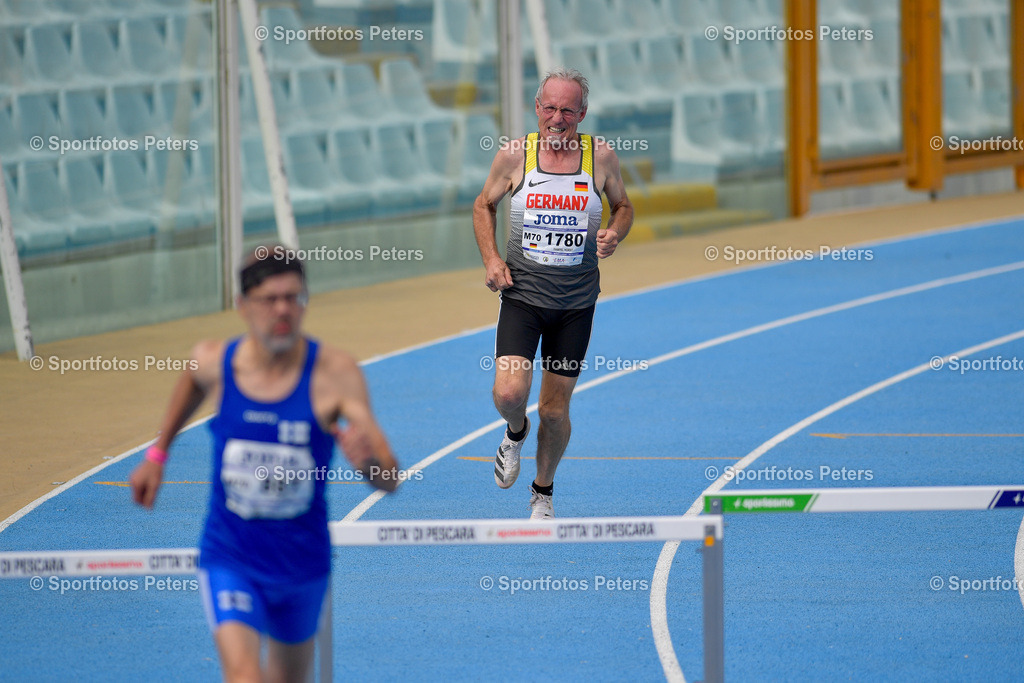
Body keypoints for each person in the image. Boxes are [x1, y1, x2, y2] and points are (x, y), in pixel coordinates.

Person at [130, 246, 399, 683]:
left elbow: (390, 479)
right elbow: (191, 379)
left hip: (302, 564)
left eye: (294, 298)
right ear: (242, 305)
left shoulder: (336, 374)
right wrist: (158, 454)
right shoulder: (218, 363)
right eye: (269, 300)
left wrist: (369, 464)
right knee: (244, 677)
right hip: (230, 556)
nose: (283, 310)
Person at [473, 68, 634, 519]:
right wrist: (491, 258)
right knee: (509, 393)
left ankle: (542, 493)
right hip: (522, 296)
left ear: (582, 113)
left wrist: (615, 233)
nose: (557, 118)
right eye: (550, 108)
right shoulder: (513, 156)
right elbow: (483, 204)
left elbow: (623, 205)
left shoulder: (599, 157)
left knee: (555, 410)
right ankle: (514, 431)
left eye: (568, 109)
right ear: (536, 108)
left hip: (575, 305)